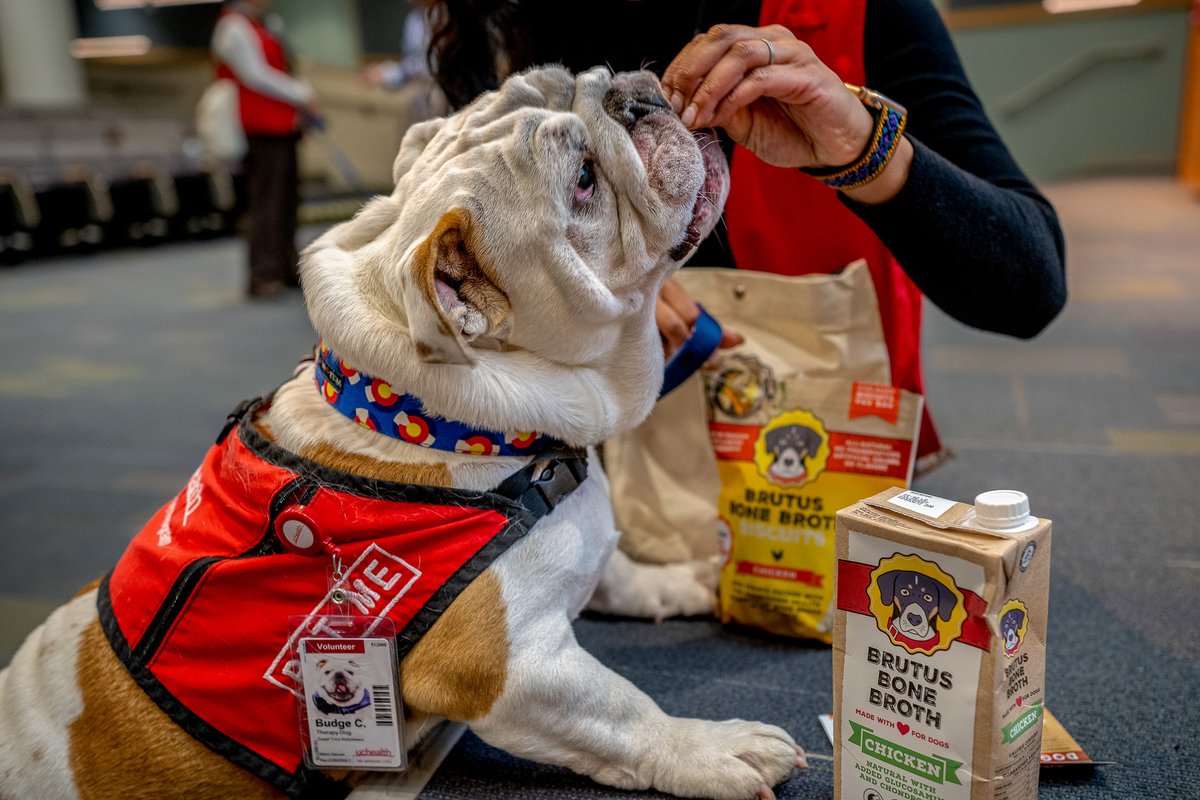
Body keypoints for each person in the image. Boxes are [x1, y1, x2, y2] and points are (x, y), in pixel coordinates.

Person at [416, 0, 1068, 473]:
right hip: (588, 485)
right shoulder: (511, 26)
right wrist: (596, 292)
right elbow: (443, 294)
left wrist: (863, 149)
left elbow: (1031, 282)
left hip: (816, 479)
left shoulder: (856, 14)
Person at [211, 0, 319, 299]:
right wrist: (301, 94)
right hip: (260, 125)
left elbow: (286, 66)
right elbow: (254, 74)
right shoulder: (232, 26)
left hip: (284, 123)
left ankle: (285, 268)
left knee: (286, 201)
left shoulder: (267, 24)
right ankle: (262, 275)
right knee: (266, 203)